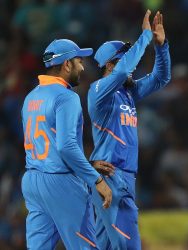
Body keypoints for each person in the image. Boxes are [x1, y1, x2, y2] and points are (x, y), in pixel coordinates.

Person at [87, 10, 171, 250]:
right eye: (125, 58)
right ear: (110, 64)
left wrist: (161, 46)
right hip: (110, 175)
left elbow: (161, 78)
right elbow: (124, 71)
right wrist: (144, 37)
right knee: (127, 244)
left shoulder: (128, 91)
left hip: (126, 177)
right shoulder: (98, 90)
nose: (132, 65)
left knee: (105, 244)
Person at [21, 38, 113, 249]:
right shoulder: (66, 97)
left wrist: (86, 165)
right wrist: (96, 180)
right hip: (61, 184)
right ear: (67, 64)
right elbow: (65, 146)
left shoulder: (31, 97)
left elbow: (51, 147)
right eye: (79, 61)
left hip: (33, 181)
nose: (82, 67)